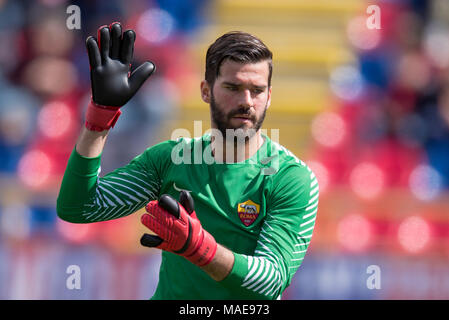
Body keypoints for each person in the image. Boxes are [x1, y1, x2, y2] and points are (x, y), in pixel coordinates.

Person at [57, 22, 319, 300]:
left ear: (269, 98)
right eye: (233, 87)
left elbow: (271, 280)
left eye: (257, 90)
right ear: (206, 91)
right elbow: (79, 208)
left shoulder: (291, 178)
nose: (246, 101)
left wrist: (199, 248)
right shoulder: (170, 160)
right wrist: (100, 116)